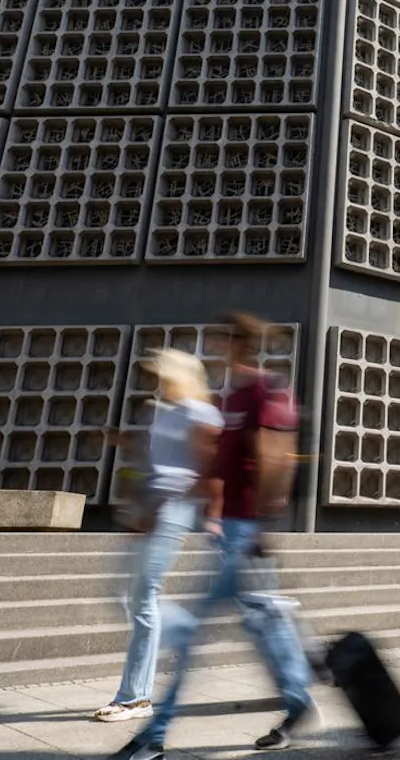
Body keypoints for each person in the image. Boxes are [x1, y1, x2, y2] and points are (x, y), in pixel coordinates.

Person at [115, 313, 313, 760]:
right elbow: (214, 467)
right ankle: (300, 699)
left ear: (237, 343)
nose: (213, 348)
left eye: (220, 340)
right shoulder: (231, 397)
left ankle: (154, 736)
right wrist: (205, 509)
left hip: (246, 533)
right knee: (264, 623)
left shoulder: (265, 390)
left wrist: (260, 525)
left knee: (195, 629)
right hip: (231, 531)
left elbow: (278, 459)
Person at [93, 349, 222, 723]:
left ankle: (134, 698)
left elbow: (207, 468)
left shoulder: (201, 413)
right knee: (120, 594)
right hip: (148, 508)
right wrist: (125, 442)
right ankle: (184, 633)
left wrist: (205, 513)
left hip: (169, 510)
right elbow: (161, 457)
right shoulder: (166, 412)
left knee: (143, 598)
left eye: (163, 376)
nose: (158, 382)